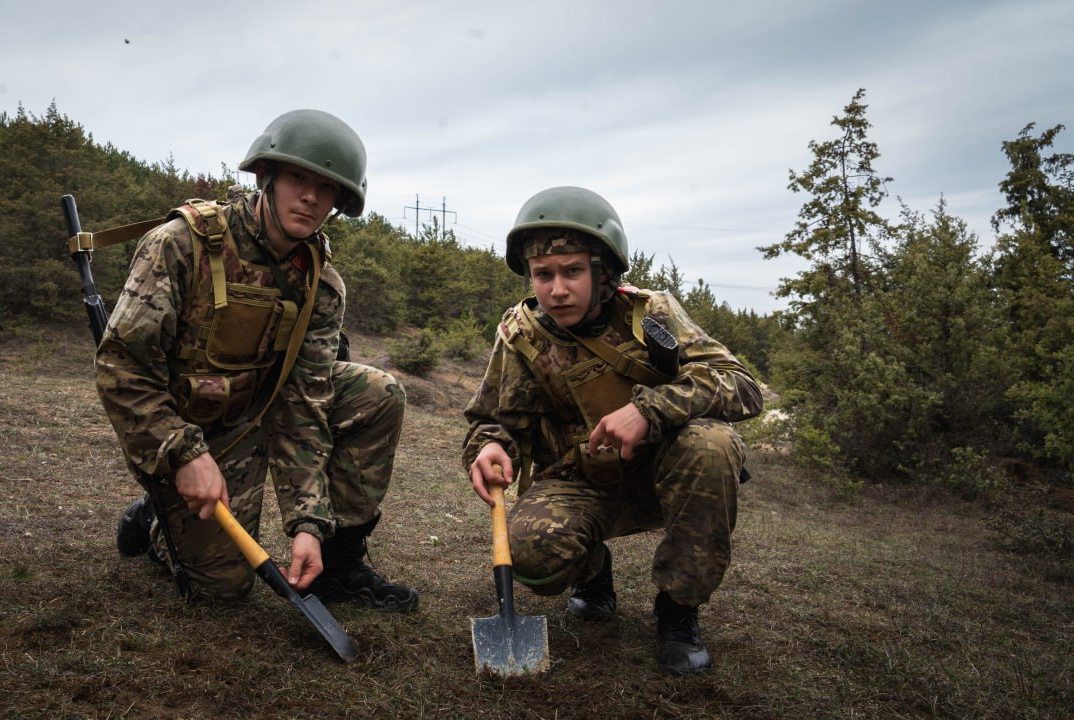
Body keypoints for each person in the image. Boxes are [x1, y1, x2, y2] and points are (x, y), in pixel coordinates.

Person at [98, 109, 418, 612]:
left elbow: (304, 402)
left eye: (326, 187)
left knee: (377, 393)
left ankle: (337, 562)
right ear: (265, 176)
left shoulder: (321, 285)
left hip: (261, 413)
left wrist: (307, 525)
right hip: (189, 430)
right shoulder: (181, 245)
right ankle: (155, 516)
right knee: (223, 591)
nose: (310, 196)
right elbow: (122, 367)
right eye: (298, 178)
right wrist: (182, 454)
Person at [463, 186, 762, 674]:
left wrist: (651, 408)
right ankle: (592, 570)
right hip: (580, 481)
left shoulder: (649, 315)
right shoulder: (522, 336)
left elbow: (742, 386)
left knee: (713, 443)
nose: (557, 289)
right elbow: (494, 419)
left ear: (603, 272)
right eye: (543, 275)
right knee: (530, 552)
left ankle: (678, 609)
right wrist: (490, 445)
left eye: (573, 271)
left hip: (665, 476)